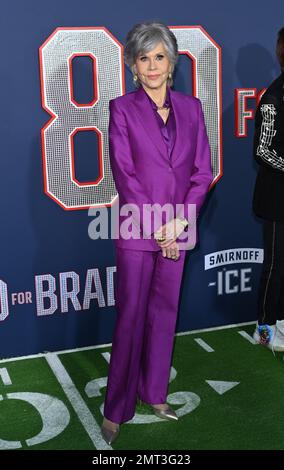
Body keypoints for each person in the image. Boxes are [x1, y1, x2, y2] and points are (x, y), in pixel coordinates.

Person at [101, 21, 212, 445]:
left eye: (159, 57)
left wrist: (180, 222)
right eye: (143, 58)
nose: (151, 66)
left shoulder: (192, 108)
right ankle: (116, 409)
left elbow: (202, 172)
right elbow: (126, 176)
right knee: (130, 319)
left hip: (179, 228)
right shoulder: (121, 109)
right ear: (133, 65)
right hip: (138, 229)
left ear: (172, 63)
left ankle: (155, 394)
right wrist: (159, 227)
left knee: (165, 315)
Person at [252, 27, 284, 352]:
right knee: (275, 265)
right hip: (276, 199)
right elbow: (262, 150)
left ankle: (282, 322)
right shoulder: (272, 97)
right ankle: (263, 330)